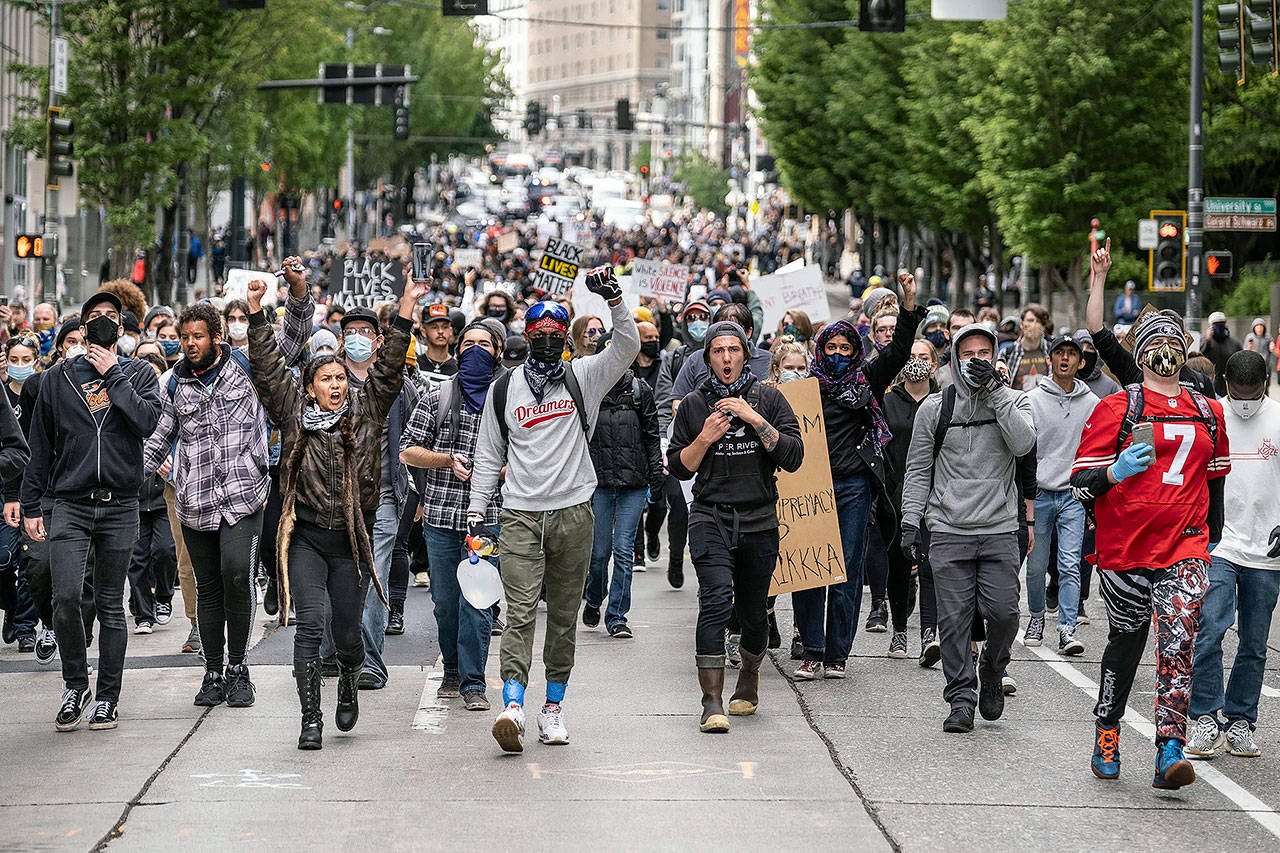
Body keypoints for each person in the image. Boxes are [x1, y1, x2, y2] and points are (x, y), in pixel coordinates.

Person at [246, 272, 422, 750]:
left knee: (348, 633)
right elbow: (264, 367)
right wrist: (258, 312)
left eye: (341, 378)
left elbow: (387, 370)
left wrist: (405, 307)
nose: (337, 385)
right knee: (308, 626)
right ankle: (310, 719)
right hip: (304, 537)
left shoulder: (366, 411)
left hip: (350, 539)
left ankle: (348, 680)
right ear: (308, 388)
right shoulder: (290, 412)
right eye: (326, 379)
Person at [468, 267, 639, 753]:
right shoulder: (504, 390)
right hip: (519, 515)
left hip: (573, 514)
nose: (546, 341)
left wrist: (615, 300)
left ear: (566, 338)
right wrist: (477, 514)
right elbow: (487, 455)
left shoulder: (585, 376)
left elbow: (625, 346)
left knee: (563, 618)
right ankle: (514, 705)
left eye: (554, 334)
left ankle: (553, 708)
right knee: (519, 613)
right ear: (526, 337)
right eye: (537, 334)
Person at [1070, 309, 1229, 789]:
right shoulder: (1116, 408)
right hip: (1126, 549)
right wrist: (1115, 471)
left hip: (1186, 543)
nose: (1166, 349)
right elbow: (1080, 483)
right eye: (1155, 341)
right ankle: (1107, 727)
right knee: (1127, 641)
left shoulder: (1208, 410)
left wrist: (1212, 536)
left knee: (1179, 640)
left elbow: (1215, 478)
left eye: (1174, 340)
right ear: (1139, 355)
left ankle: (1170, 748)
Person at [22, 291, 162, 733]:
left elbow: (146, 422)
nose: (102, 323)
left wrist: (114, 375)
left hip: (120, 505)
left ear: (121, 329)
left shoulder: (139, 373)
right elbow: (39, 447)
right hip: (71, 504)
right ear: (81, 327)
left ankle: (107, 697)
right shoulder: (57, 379)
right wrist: (28, 504)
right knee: (65, 597)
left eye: (111, 318)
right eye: (94, 317)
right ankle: (75, 684)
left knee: (109, 605)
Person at [900, 322, 1036, 733]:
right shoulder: (934, 408)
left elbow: (1024, 445)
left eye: (984, 354)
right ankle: (961, 698)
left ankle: (993, 669)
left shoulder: (1016, 401)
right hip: (947, 529)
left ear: (994, 357)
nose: (976, 361)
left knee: (1005, 614)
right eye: (968, 354)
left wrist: (995, 392)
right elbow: (918, 468)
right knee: (954, 621)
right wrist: (910, 522)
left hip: (997, 528)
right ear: (955, 359)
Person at [668, 320, 803, 733]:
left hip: (759, 519)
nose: (726, 358)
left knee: (753, 610)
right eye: (717, 351)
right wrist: (705, 438)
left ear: (746, 354)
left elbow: (794, 456)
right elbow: (678, 466)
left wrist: (754, 419)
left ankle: (749, 675)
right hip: (710, 515)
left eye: (734, 350)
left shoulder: (770, 398)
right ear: (708, 357)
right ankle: (711, 702)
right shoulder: (694, 404)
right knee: (714, 603)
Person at [142, 302, 269, 709]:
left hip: (242, 500)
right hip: (194, 502)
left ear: (216, 337)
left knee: (236, 575)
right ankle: (213, 672)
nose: (189, 344)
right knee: (208, 588)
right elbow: (159, 438)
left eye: (197, 336)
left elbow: (292, 339)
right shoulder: (175, 385)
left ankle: (239, 668)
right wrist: (127, 478)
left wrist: (296, 292)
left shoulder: (246, 369)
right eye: (184, 337)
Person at [792, 275, 919, 678]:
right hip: (811, 488)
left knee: (845, 569)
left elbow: (899, 349)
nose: (838, 354)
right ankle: (812, 648)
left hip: (852, 487)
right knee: (810, 570)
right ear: (820, 350)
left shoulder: (867, 379)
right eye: (830, 347)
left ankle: (837, 655)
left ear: (857, 350)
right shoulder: (805, 387)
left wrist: (908, 304)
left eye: (846, 348)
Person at [401, 320, 505, 712]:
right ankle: (452, 669)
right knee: (446, 603)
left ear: (497, 352)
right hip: (442, 519)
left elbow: (524, 457)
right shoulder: (437, 396)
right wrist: (446, 460)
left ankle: (473, 683)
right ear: (458, 351)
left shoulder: (506, 399)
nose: (476, 349)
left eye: (485, 344)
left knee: (476, 602)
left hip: (487, 519)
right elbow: (408, 451)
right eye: (470, 343)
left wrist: (493, 470)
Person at [1185, 351, 1277, 760]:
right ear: (1224, 384)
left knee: (1255, 643)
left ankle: (1240, 721)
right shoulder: (1209, 415)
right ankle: (1205, 717)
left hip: (1267, 550)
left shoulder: (1277, 417)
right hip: (1219, 543)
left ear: (1266, 384)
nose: (1244, 402)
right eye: (1238, 394)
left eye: (1252, 394)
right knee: (1209, 631)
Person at [582, 342, 664, 638]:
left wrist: (656, 477)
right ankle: (593, 598)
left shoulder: (641, 391)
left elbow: (652, 436)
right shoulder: (589, 391)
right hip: (600, 485)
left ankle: (617, 615)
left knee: (623, 549)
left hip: (633, 484)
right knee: (599, 552)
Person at [1022, 336, 1096, 654]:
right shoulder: (1032, 400)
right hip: (1039, 493)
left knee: (1069, 563)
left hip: (1072, 495)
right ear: (1050, 360)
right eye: (1059, 353)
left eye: (1072, 354)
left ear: (1081, 363)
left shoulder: (1091, 403)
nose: (1065, 359)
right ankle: (1037, 617)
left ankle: (1067, 628)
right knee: (1037, 565)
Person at [654, 299, 711, 589]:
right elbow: (665, 401)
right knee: (678, 504)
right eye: (692, 318)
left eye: (703, 317)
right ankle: (676, 556)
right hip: (681, 442)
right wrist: (666, 440)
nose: (698, 322)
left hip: (715, 444)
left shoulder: (721, 355)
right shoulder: (675, 358)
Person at [998, 304, 1051, 391]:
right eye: (1030, 320)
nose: (1034, 325)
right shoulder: (1008, 353)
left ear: (1043, 326)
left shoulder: (1052, 351)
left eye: (1038, 321)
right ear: (1022, 324)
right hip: (1017, 403)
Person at [1201, 312, 1241, 397]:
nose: (1219, 326)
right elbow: (1199, 355)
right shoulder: (1205, 341)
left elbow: (1240, 361)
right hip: (1210, 383)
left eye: (1221, 324)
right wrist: (1207, 340)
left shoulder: (1234, 342)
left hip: (1229, 384)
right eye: (1216, 324)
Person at [1072, 330, 1120, 399]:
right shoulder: (1063, 380)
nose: (1084, 351)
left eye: (1090, 348)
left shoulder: (1110, 386)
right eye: (1080, 347)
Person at [419, 303, 458, 381]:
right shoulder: (415, 365)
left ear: (450, 331)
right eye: (434, 327)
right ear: (423, 331)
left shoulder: (458, 369)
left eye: (445, 327)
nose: (440, 331)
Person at [1243, 318, 1274, 389]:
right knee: (1254, 387)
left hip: (1265, 366)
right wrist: (1249, 348)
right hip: (1253, 366)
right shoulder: (1249, 337)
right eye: (1257, 326)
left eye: (1261, 326)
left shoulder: (1268, 337)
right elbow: (1244, 351)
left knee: (1265, 387)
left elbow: (1271, 350)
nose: (1259, 329)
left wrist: (1272, 347)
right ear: (1254, 328)